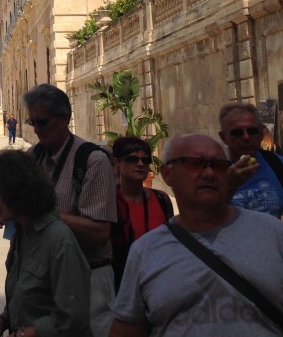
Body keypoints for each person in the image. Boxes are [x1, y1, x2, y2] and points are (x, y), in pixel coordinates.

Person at [110, 134, 283, 336]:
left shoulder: (271, 232)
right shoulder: (145, 251)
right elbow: (127, 329)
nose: (209, 173)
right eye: (195, 164)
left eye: (218, 165)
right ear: (166, 174)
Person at [23, 84, 116, 337]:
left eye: (42, 122)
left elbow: (99, 233)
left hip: (89, 277)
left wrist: (45, 215)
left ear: (64, 118)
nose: (36, 130)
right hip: (46, 279)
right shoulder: (34, 157)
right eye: (32, 122)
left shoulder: (92, 161)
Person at [0, 149, 92, 337]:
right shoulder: (21, 234)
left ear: (16, 192)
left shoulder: (58, 239)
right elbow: (26, 296)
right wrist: (2, 321)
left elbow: (73, 315)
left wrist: (29, 333)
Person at [110, 136, 174, 292]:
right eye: (132, 159)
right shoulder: (109, 202)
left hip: (160, 280)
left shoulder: (161, 199)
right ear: (117, 163)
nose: (140, 164)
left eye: (145, 161)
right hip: (122, 284)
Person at [218, 102, 283, 218]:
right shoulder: (212, 171)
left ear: (261, 134)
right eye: (237, 132)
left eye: (252, 131)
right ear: (223, 137)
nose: (246, 137)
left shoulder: (277, 164)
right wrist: (230, 185)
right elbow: (202, 218)